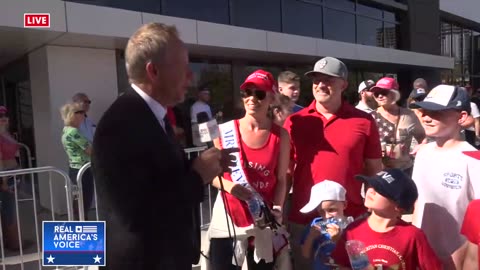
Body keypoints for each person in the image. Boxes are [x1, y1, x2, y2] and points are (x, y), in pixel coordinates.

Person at [91, 22, 231, 270]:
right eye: (184, 67)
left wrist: (201, 167)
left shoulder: (153, 115)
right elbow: (140, 212)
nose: (192, 77)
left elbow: (158, 176)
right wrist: (197, 176)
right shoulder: (122, 124)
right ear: (153, 71)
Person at [283, 56, 383, 270]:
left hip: (351, 218)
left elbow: (374, 170)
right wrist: (280, 210)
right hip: (305, 218)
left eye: (328, 79)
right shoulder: (295, 121)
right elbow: (286, 172)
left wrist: (377, 212)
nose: (320, 84)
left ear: (344, 84)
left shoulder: (364, 121)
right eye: (316, 79)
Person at [205, 70, 290, 270]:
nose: (252, 98)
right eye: (247, 93)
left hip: (262, 216)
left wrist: (278, 207)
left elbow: (281, 179)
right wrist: (231, 187)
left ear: (271, 98)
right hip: (228, 215)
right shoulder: (224, 131)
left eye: (259, 94)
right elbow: (211, 174)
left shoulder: (281, 136)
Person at [409, 85, 480, 269]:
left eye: (437, 112)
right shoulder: (422, 153)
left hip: (455, 257)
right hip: (419, 251)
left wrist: (465, 259)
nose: (426, 117)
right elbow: (419, 202)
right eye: (424, 111)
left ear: (462, 117)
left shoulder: (474, 159)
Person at [331, 168, 442, 269]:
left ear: (398, 206)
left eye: (380, 189)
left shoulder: (413, 236)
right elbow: (341, 264)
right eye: (370, 185)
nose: (370, 190)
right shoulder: (353, 230)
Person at [370, 77, 425, 174]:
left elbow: (423, 137)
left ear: (394, 94)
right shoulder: (370, 117)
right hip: (380, 172)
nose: (380, 96)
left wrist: (421, 146)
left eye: (384, 92)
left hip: (405, 171)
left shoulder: (409, 115)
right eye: (376, 93)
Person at [299, 180, 350, 270]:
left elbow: (355, 256)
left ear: (344, 205)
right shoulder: (315, 224)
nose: (326, 216)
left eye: (331, 210)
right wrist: (310, 237)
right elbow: (306, 255)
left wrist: (338, 238)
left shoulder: (351, 226)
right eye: (321, 212)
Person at [60, 102, 94, 221]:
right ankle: (82, 228)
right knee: (83, 201)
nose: (83, 115)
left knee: (79, 201)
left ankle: (80, 225)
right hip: (82, 170)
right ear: (71, 115)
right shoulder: (74, 132)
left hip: (76, 169)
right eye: (80, 112)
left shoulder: (66, 130)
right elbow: (90, 150)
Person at [0, 106, 21, 250]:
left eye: (5, 115)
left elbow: (15, 154)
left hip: (12, 172)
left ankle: (10, 242)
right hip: (5, 175)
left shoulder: (7, 134)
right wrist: (4, 182)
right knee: (9, 210)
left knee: (9, 208)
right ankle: (14, 244)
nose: (3, 118)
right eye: (0, 116)